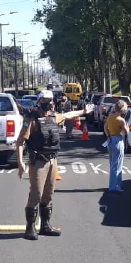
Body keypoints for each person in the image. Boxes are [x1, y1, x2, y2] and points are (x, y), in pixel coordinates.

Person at [16, 90, 93, 240]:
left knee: (48, 194)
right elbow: (20, 142)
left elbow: (69, 115)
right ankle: (30, 228)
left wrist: (84, 111)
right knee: (36, 194)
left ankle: (45, 225)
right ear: (39, 102)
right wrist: (20, 164)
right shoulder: (32, 119)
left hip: (52, 160)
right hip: (38, 162)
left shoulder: (54, 116)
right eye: (45, 100)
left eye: (50, 100)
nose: (48, 103)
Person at [104, 100, 129, 193]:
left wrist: (108, 136)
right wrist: (127, 126)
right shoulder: (121, 120)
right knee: (117, 165)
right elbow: (126, 132)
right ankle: (114, 187)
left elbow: (105, 127)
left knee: (112, 164)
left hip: (110, 139)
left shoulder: (110, 117)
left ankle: (116, 185)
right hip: (118, 140)